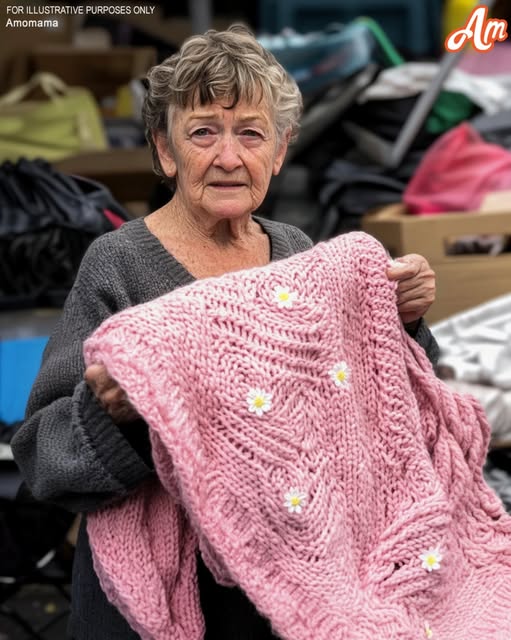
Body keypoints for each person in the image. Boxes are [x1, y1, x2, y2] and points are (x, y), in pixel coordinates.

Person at [11, 25, 438, 639]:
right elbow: (43, 458)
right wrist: (116, 417)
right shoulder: (119, 263)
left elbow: (374, 407)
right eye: (203, 132)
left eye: (251, 134)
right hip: (159, 602)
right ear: (165, 151)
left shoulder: (297, 254)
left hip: (289, 589)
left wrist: (401, 322)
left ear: (281, 151)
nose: (230, 157)